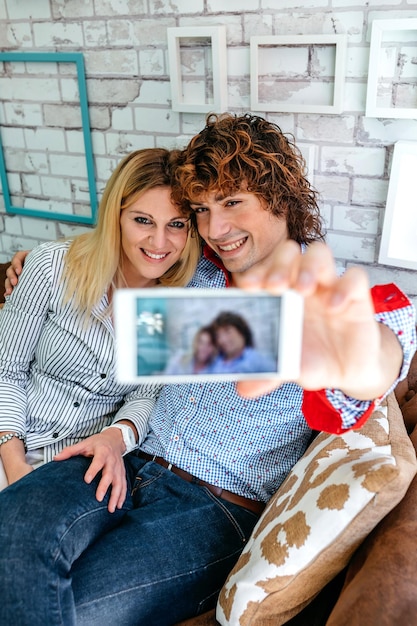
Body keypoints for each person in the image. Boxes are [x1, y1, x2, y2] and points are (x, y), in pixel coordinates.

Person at [0, 113, 415, 626]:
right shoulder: (192, 270)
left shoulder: (332, 302)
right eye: (201, 209)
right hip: (130, 459)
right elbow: (122, 254)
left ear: (279, 196)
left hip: (215, 509)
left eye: (232, 203)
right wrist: (36, 261)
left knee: (78, 610)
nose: (215, 228)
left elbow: (380, 359)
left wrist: (363, 361)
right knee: (12, 521)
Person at [0, 148, 200, 499]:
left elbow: (146, 397)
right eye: (143, 220)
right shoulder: (51, 267)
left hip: (81, 465)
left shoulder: (172, 304)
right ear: (116, 217)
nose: (159, 242)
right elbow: (6, 372)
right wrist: (16, 468)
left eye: (176, 225)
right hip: (10, 441)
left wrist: (114, 438)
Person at [210, 310, 277, 374]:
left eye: (227, 332)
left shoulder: (257, 361)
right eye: (218, 335)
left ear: (242, 332)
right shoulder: (214, 361)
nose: (222, 340)